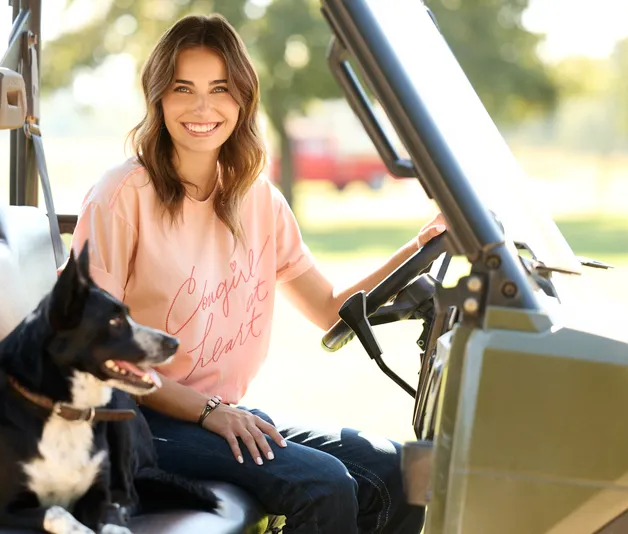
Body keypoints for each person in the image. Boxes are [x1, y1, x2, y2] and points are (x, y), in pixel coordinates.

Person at [67, 13, 445, 534]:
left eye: (220, 89)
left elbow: (327, 308)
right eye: (184, 89)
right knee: (323, 485)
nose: (203, 108)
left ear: (242, 98)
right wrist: (207, 412)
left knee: (400, 470)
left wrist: (417, 248)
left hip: (220, 412)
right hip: (134, 418)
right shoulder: (119, 196)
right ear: (159, 98)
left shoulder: (258, 198)